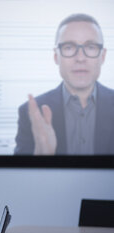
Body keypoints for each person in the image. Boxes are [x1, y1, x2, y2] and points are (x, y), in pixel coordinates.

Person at [14, 13, 114, 155]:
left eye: (90, 47)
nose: (80, 58)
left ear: (102, 56)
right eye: (69, 47)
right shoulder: (31, 114)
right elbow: (22, 176)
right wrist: (41, 158)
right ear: (56, 56)